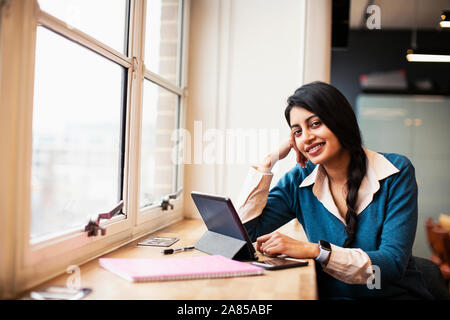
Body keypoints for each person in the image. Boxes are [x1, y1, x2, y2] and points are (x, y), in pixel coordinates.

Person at [236, 81, 433, 299]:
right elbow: (244, 233)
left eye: (315, 123)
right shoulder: (299, 180)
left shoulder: (395, 173)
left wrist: (316, 251)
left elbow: (392, 263)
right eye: (297, 132)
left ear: (340, 121)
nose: (307, 137)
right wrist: (268, 161)